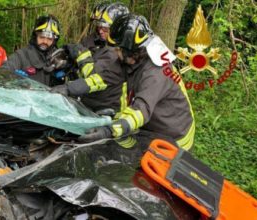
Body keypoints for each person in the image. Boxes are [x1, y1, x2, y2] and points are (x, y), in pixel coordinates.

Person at [79, 14, 195, 151]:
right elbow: (108, 78)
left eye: (118, 49)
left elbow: (141, 110)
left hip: (174, 137)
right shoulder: (136, 58)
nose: (115, 53)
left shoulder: (157, 72)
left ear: (130, 50)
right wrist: (69, 88)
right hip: (152, 126)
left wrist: (109, 131)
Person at [51, 3, 129, 113]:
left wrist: (81, 54)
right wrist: (67, 62)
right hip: (86, 103)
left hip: (109, 110)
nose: (100, 31)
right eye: (99, 26)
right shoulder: (94, 40)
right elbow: (80, 64)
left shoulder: (119, 52)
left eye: (105, 28)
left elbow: (93, 77)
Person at [3, 15, 62, 86]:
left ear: (54, 41)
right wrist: (13, 77)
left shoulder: (59, 59)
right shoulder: (21, 55)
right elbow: (4, 70)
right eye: (42, 37)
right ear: (35, 36)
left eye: (49, 39)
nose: (45, 41)